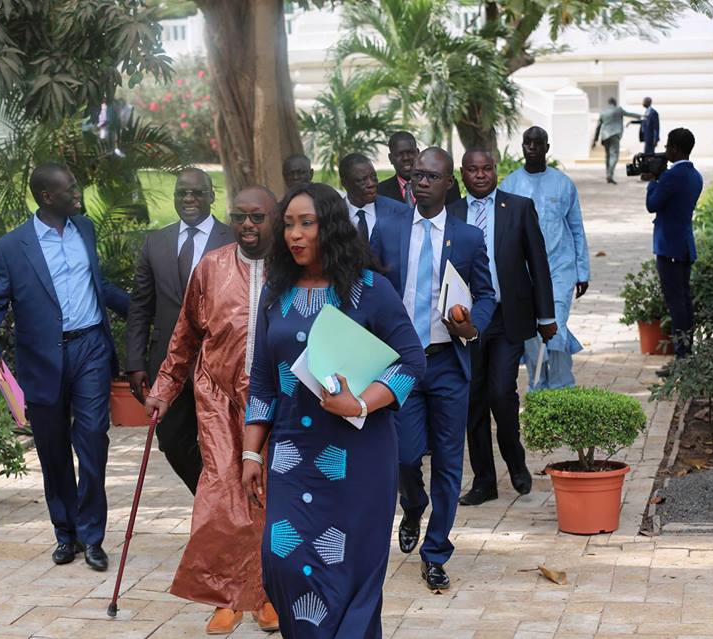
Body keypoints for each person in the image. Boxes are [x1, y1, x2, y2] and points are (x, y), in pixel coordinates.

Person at [241, 182, 425, 637]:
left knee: (348, 571)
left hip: (358, 459)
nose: (294, 235)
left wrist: (360, 402)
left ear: (332, 228)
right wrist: (250, 453)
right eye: (288, 225)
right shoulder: (275, 295)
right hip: (291, 457)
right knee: (282, 564)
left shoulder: (370, 290)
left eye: (307, 223)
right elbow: (264, 380)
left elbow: (411, 360)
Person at [0, 163, 129, 569]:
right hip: (42, 359)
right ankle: (67, 533)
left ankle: (93, 536)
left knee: (93, 437)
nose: (78, 193)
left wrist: (145, 311)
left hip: (91, 347)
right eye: (71, 188)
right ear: (48, 196)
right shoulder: (10, 248)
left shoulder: (85, 230)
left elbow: (101, 286)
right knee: (53, 449)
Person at [144, 186, 280, 635]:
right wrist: (165, 387)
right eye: (240, 216)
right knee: (222, 495)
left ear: (273, 218)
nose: (247, 225)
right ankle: (227, 596)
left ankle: (266, 594)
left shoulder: (294, 269)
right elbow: (185, 334)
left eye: (257, 217)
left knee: (268, 498)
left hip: (277, 401)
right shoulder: (211, 267)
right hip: (219, 398)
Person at [371, 148, 496, 591]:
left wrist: (471, 325)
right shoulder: (386, 230)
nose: (421, 181)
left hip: (446, 362)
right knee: (404, 454)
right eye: (417, 175)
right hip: (401, 363)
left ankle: (436, 550)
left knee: (448, 461)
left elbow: (486, 295)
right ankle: (413, 502)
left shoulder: (466, 238)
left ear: (448, 185)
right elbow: (367, 288)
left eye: (432, 176)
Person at [449, 149, 556, 507]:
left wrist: (546, 316)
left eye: (487, 169)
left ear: (496, 171)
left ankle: (516, 460)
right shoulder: (452, 214)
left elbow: (538, 264)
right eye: (473, 170)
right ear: (462, 174)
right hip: (468, 321)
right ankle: (484, 482)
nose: (480, 175)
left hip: (507, 316)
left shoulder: (519, 207)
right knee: (473, 401)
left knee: (501, 393)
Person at [125, 168, 233, 494]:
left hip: (219, 363)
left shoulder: (232, 241)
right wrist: (135, 362)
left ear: (211, 195)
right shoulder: (156, 243)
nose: (189, 199)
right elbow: (141, 307)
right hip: (169, 364)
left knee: (223, 444)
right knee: (171, 441)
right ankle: (212, 501)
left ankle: (218, 510)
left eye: (197, 192)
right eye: (181, 192)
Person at [501, 127, 590, 390]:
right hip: (524, 271)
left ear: (546, 148)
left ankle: (563, 386)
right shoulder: (511, 185)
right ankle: (537, 386)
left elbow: (576, 228)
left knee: (556, 324)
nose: (532, 147)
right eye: (527, 143)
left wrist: (582, 271)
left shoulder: (563, 184)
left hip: (559, 268)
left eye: (537, 143)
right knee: (532, 332)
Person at [643, 128, 703, 360]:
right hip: (685, 246)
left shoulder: (671, 176)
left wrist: (654, 179)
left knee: (676, 304)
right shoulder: (695, 175)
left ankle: (682, 357)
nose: (665, 150)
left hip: (669, 248)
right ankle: (686, 354)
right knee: (684, 303)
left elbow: (652, 204)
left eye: (668, 146)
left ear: (676, 149)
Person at [339, 153, 408, 246]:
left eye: (373, 177)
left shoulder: (400, 211)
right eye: (361, 180)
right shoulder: (333, 215)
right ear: (344, 183)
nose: (371, 184)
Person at [377, 131, 461, 207]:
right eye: (400, 154)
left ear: (418, 153)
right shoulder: (380, 191)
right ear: (391, 158)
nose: (406, 158)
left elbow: (456, 217)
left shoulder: (445, 185)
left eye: (410, 152)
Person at [592, 97, 642, 184]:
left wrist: (595, 140)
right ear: (615, 103)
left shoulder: (603, 112)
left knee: (608, 156)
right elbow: (629, 114)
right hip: (615, 135)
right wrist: (640, 116)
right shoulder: (618, 110)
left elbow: (598, 127)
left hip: (605, 136)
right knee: (614, 155)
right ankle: (609, 175)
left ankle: (608, 174)